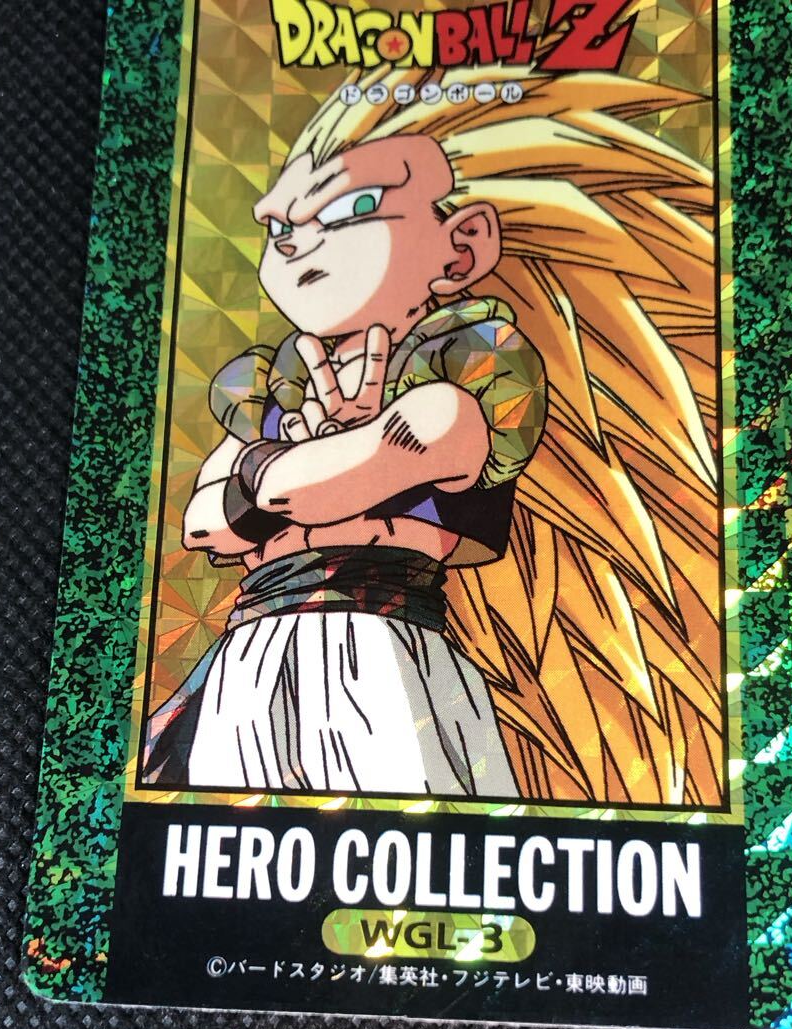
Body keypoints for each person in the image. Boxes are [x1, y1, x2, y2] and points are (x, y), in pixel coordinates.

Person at [145, 64, 722, 806]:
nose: (295, 244)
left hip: (383, 651)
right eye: (281, 227)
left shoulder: (477, 358)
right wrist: (297, 466)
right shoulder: (278, 380)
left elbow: (392, 452)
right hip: (252, 651)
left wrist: (275, 471)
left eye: (352, 207)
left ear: (461, 248)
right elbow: (204, 525)